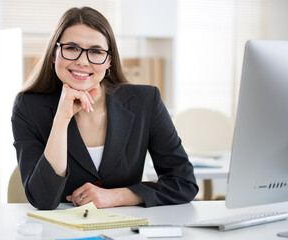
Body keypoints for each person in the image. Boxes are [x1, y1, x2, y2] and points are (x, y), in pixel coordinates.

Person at [11, 6, 198, 210]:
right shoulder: (28, 107)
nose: (83, 61)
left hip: (127, 230)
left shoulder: (145, 101)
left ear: (109, 61)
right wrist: (61, 120)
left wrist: (116, 196)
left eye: (96, 51)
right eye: (71, 48)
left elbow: (184, 182)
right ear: (54, 54)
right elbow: (43, 200)